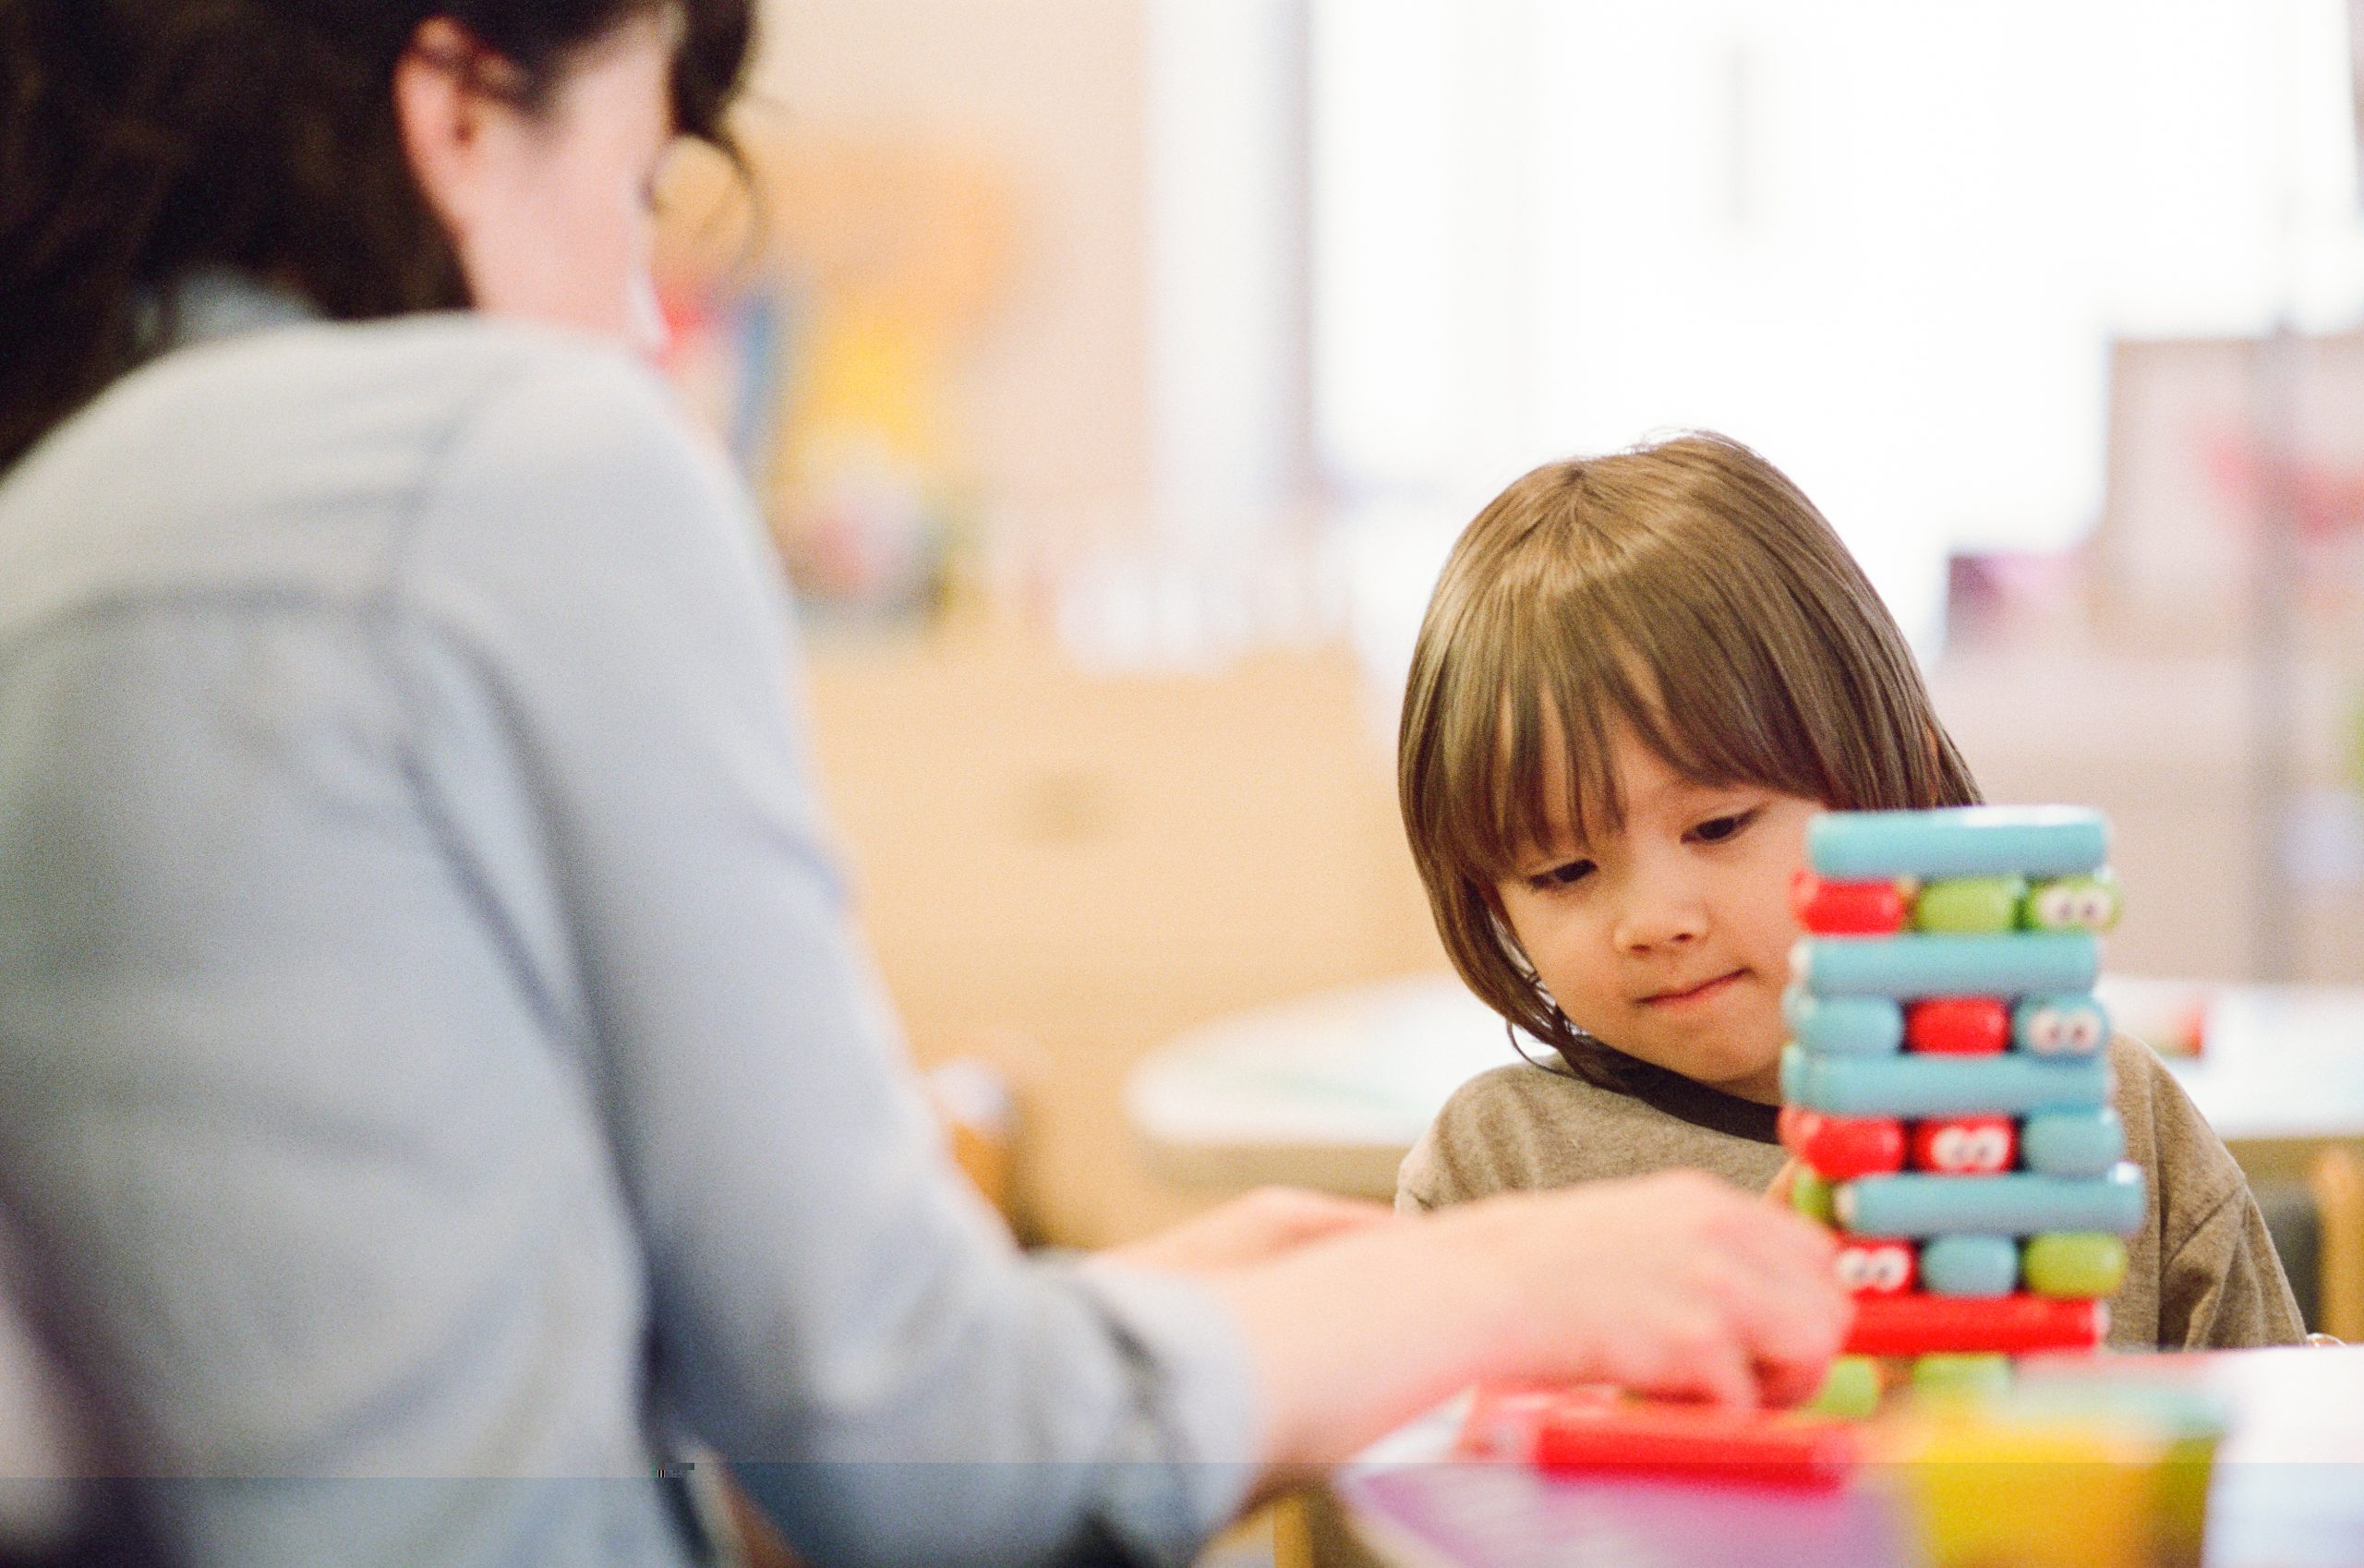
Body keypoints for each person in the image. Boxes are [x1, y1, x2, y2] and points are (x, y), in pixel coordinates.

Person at [0, 6, 1851, 1565]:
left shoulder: (57, 520)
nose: (652, 325)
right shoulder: (512, 458)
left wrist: (1146, 1317)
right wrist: (1514, 1283)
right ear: (460, 110)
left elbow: (420, 1409)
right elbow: (905, 1439)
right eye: (640, 197)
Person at [1393, 434, 2307, 1353]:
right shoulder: (1495, 1168)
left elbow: (2280, 1462)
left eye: (1718, 827)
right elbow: (1422, 1483)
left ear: (1882, 773)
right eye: (1562, 872)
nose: (1653, 923)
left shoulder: (2096, 1112)